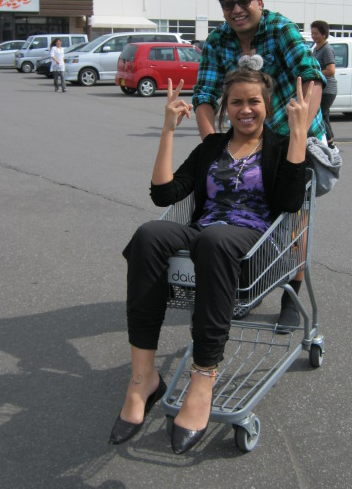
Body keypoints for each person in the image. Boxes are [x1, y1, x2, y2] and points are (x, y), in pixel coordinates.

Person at [109, 58, 312, 455]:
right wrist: (168, 129)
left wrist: (299, 133)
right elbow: (164, 195)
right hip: (206, 234)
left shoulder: (279, 146)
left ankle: (203, 378)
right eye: (236, 102)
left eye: (254, 101)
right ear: (225, 107)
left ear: (267, 105)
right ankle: (143, 378)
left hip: (252, 246)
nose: (245, 109)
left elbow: (290, 204)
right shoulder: (212, 147)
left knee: (215, 240)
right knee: (149, 234)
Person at [192, 0, 327, 327]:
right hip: (249, 145)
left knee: (293, 217)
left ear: (259, 1)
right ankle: (248, 283)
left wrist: (296, 135)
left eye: (243, 0)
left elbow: (311, 78)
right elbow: (204, 96)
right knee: (247, 213)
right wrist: (212, 149)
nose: (236, 9)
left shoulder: (280, 29)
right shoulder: (217, 42)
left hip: (295, 136)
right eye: (228, 4)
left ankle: (291, 293)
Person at [311, 21, 338, 152]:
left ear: (324, 34)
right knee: (323, 115)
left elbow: (331, 70)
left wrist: (315, 73)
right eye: (312, 33)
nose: (313, 36)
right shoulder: (316, 48)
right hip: (320, 88)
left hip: (328, 89)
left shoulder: (327, 49)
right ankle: (329, 142)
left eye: (316, 33)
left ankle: (331, 144)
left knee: (320, 115)